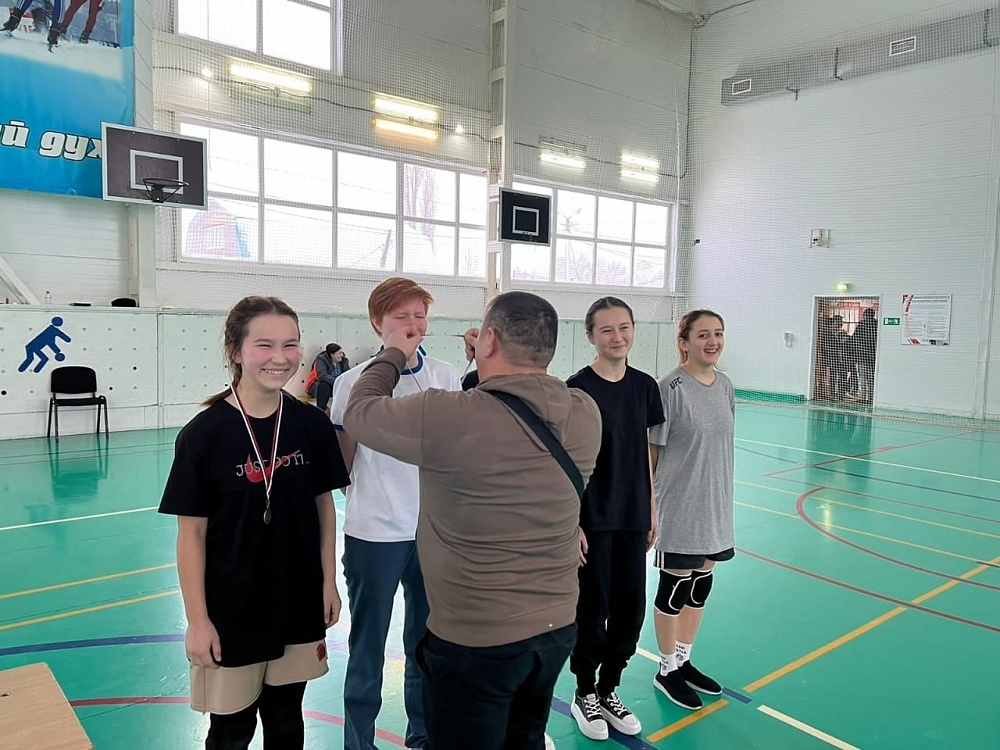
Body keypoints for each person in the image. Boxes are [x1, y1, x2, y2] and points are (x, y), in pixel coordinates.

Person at [342, 291, 603, 750]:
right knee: (522, 739)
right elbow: (509, 416)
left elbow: (361, 412)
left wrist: (392, 354)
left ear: (491, 340)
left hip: (477, 637)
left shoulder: (448, 413)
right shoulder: (584, 411)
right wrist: (486, 361)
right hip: (556, 627)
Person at [159, 296, 350, 750]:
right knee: (231, 730)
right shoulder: (203, 435)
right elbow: (191, 535)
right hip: (231, 610)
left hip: (297, 600)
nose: (279, 357)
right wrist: (198, 620)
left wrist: (328, 583)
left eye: (290, 344)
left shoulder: (311, 425)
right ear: (236, 350)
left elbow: (324, 508)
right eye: (265, 345)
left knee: (286, 721)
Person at [329, 277, 461, 750]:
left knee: (425, 646)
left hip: (433, 536)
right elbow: (342, 464)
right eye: (401, 316)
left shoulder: (445, 375)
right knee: (367, 648)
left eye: (419, 315)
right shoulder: (351, 382)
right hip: (374, 536)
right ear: (377, 323)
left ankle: (422, 736)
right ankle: (358, 743)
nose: (412, 324)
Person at [565, 297, 664, 741]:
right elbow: (567, 460)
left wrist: (651, 508)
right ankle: (585, 691)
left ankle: (609, 689)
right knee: (593, 609)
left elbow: (643, 450)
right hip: (593, 518)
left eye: (624, 327)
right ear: (590, 336)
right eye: (606, 329)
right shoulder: (577, 389)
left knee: (630, 610)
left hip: (633, 515)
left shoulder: (644, 387)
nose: (617, 336)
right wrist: (572, 522)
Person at [648, 309, 734, 712]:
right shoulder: (669, 388)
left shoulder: (726, 386)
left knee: (701, 584)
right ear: (684, 342)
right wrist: (648, 504)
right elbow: (651, 451)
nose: (712, 341)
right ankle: (666, 669)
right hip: (679, 505)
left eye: (718, 333)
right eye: (702, 335)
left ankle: (683, 660)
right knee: (675, 587)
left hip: (714, 504)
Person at [307, 343, 349, 414]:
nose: (342, 355)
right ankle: (321, 410)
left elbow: (347, 375)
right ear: (332, 354)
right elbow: (322, 375)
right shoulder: (321, 359)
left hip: (336, 387)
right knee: (324, 385)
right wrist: (337, 382)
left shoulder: (344, 361)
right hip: (320, 387)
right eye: (339, 353)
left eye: (342, 353)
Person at [852, 308, 878, 404]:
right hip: (873, 357)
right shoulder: (877, 325)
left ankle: (862, 397)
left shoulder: (861, 326)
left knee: (862, 378)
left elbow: (854, 339)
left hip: (861, 356)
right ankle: (872, 398)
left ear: (864, 315)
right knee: (871, 379)